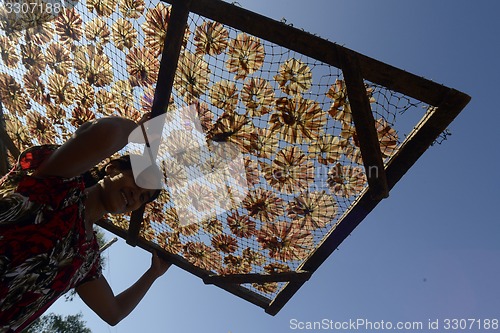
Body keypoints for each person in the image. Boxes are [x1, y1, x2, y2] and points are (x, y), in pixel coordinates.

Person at [0, 114, 171, 332]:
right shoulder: (60, 186)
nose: (136, 195)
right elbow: (104, 132)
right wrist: (137, 130)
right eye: (138, 181)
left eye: (143, 198)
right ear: (112, 169)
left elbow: (114, 313)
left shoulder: (86, 258)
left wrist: (152, 274)